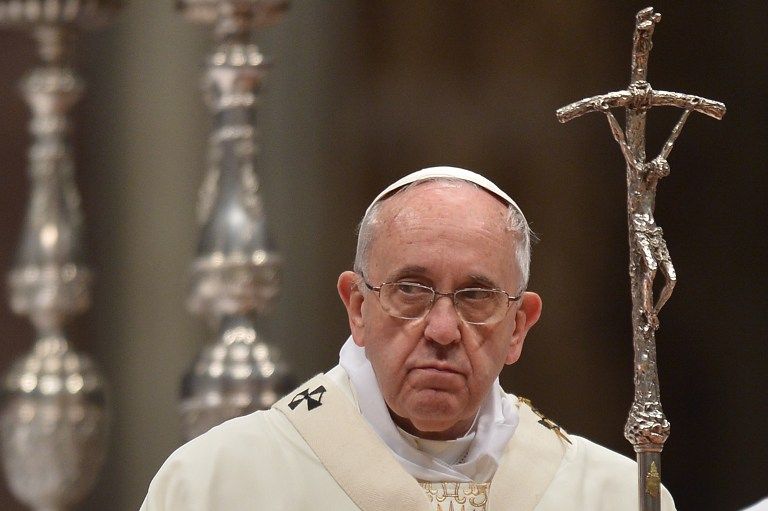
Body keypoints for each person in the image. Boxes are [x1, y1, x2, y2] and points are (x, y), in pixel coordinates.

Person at [140, 166, 676, 510]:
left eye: (476, 296)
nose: (442, 331)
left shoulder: (610, 495)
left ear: (519, 326)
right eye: (411, 290)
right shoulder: (217, 485)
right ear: (358, 307)